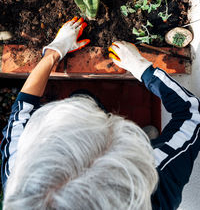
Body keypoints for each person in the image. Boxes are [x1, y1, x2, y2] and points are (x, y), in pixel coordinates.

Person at [1, 17, 200, 210]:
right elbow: (191, 113)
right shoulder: (153, 182)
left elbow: (22, 109)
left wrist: (53, 53)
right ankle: (144, 140)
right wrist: (142, 68)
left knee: (82, 97)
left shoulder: (23, 178)